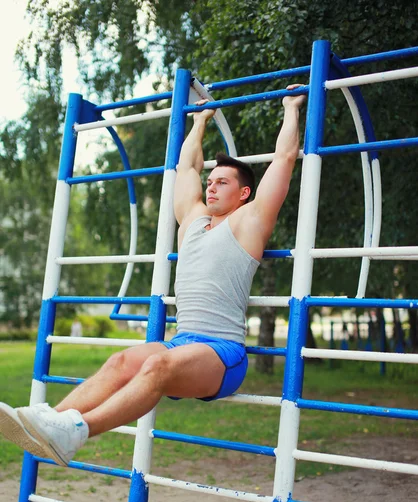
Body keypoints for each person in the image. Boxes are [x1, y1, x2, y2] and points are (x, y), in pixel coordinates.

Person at [0, 86, 306, 467]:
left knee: (156, 366)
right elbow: (187, 169)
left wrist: (291, 109)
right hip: (183, 343)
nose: (211, 185)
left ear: (244, 193)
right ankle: (51, 424)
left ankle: (76, 432)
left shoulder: (251, 221)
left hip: (222, 354)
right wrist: (199, 121)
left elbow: (285, 159)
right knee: (119, 362)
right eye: (211, 181)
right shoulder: (193, 221)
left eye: (222, 182)